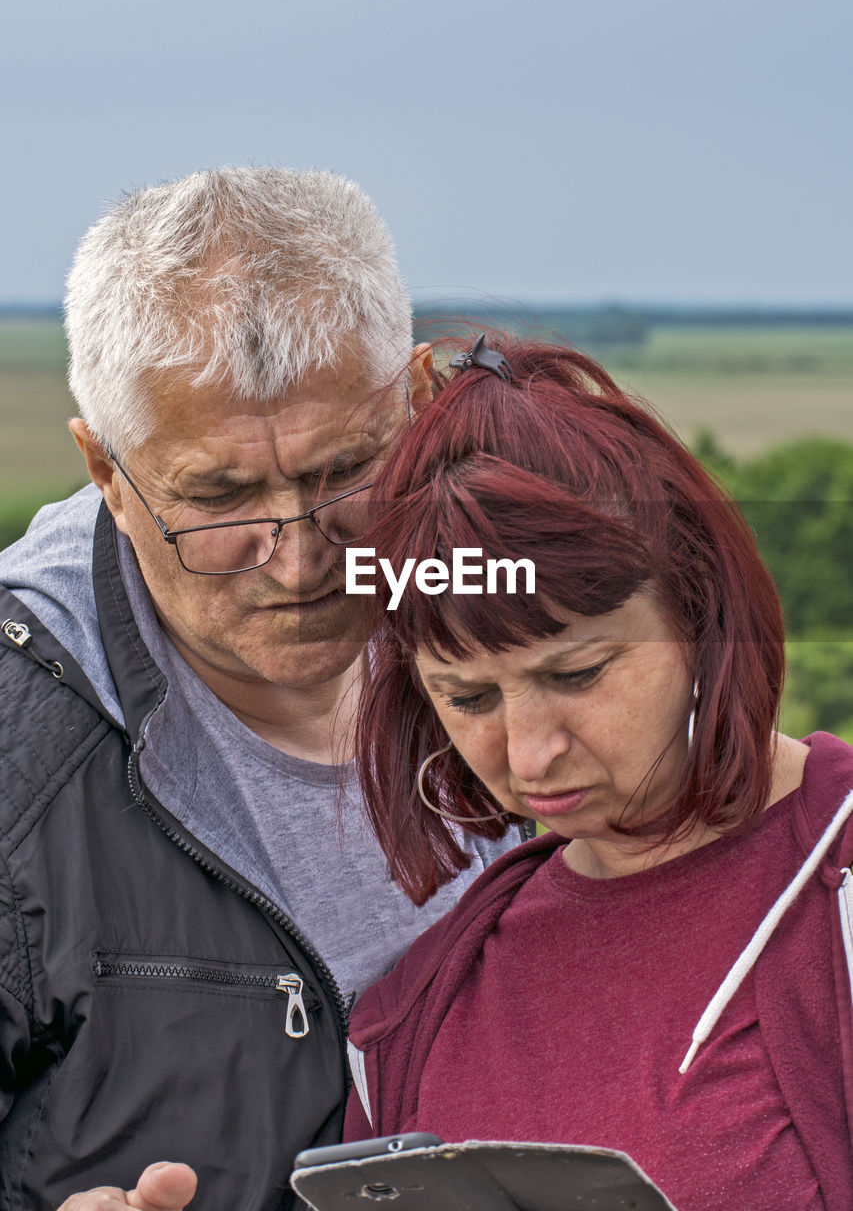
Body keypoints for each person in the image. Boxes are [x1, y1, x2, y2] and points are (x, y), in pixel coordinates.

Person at [0, 171, 523, 1209]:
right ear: (104, 466)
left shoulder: (534, 603)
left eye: (345, 472)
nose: (296, 562)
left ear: (420, 398)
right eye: (219, 496)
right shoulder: (23, 746)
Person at [338, 336, 853, 1211]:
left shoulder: (832, 897)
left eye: (575, 674)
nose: (531, 754)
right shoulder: (418, 1003)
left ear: (697, 610)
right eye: (467, 698)